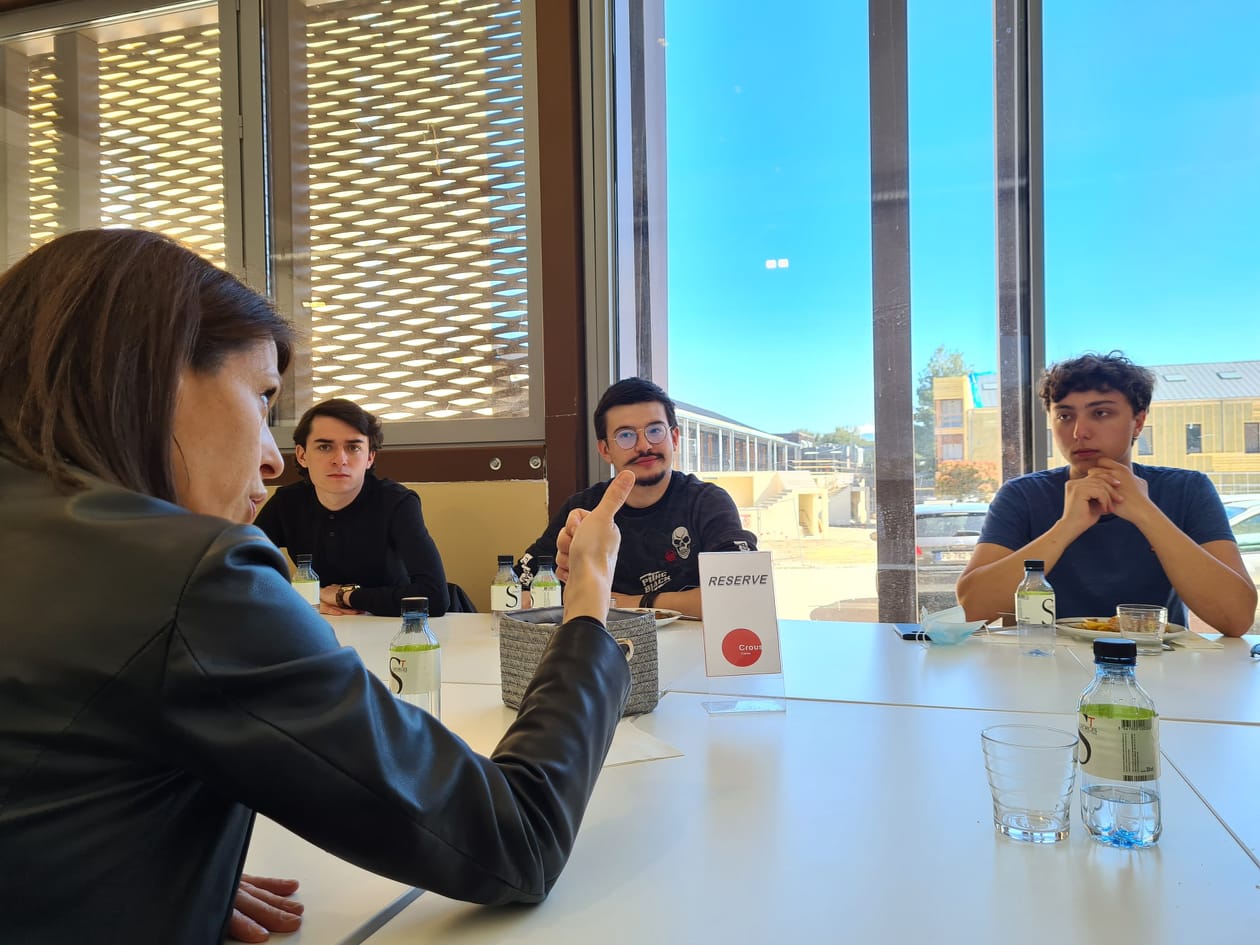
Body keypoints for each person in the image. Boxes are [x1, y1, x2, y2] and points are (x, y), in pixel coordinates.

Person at [0, 228, 633, 944]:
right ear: (153, 373)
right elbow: (516, 835)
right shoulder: (187, 574)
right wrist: (587, 601)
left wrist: (126, 854)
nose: (273, 460)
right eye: (263, 399)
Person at [957, 351, 1256, 636]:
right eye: (1064, 416)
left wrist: (1145, 512)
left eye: (1100, 413)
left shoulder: (1186, 489)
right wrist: (1067, 526)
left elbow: (1236, 619)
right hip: (1041, 665)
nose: (1079, 432)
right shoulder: (1023, 494)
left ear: (1138, 421)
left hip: (1155, 665)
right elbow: (973, 609)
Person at [518, 377, 758, 617]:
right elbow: (515, 588)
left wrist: (625, 603)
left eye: (655, 430)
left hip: (692, 648)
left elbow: (741, 593)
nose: (644, 446)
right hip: (607, 648)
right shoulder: (583, 510)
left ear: (674, 438)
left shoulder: (707, 502)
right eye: (625, 436)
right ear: (605, 450)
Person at [253, 398, 449, 617]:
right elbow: (242, 572)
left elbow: (435, 596)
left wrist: (345, 596)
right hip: (321, 624)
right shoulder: (286, 503)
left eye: (353, 447)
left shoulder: (397, 503)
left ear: (369, 457)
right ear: (302, 455)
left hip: (391, 627)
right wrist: (304, 595)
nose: (340, 459)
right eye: (325, 447)